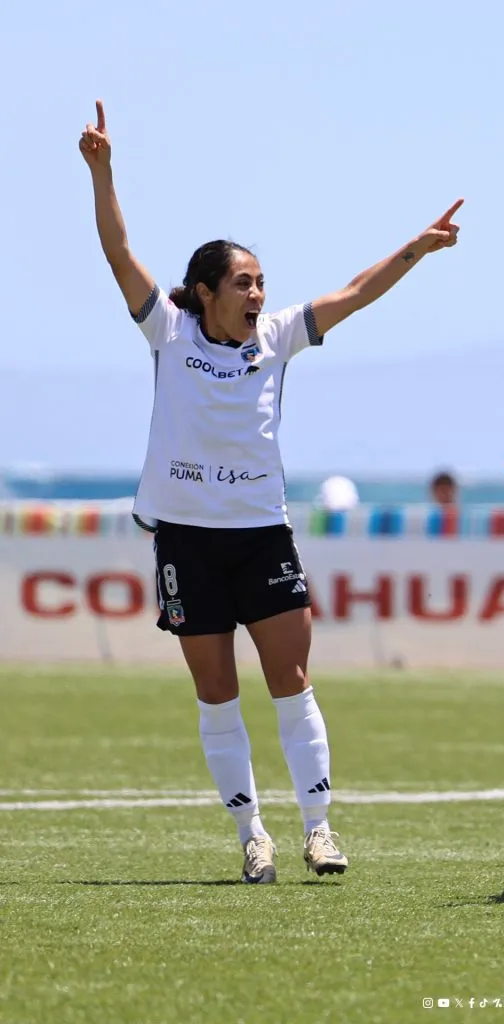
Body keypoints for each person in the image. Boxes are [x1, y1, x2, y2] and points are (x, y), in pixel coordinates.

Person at [80, 99, 461, 883]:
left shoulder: (280, 337)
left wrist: (416, 250)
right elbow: (119, 250)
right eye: (245, 283)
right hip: (185, 539)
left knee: (291, 681)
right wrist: (103, 170)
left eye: (263, 283)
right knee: (217, 695)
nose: (258, 295)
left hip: (262, 535)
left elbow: (356, 292)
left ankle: (319, 828)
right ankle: (254, 836)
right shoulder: (169, 331)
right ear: (206, 291)